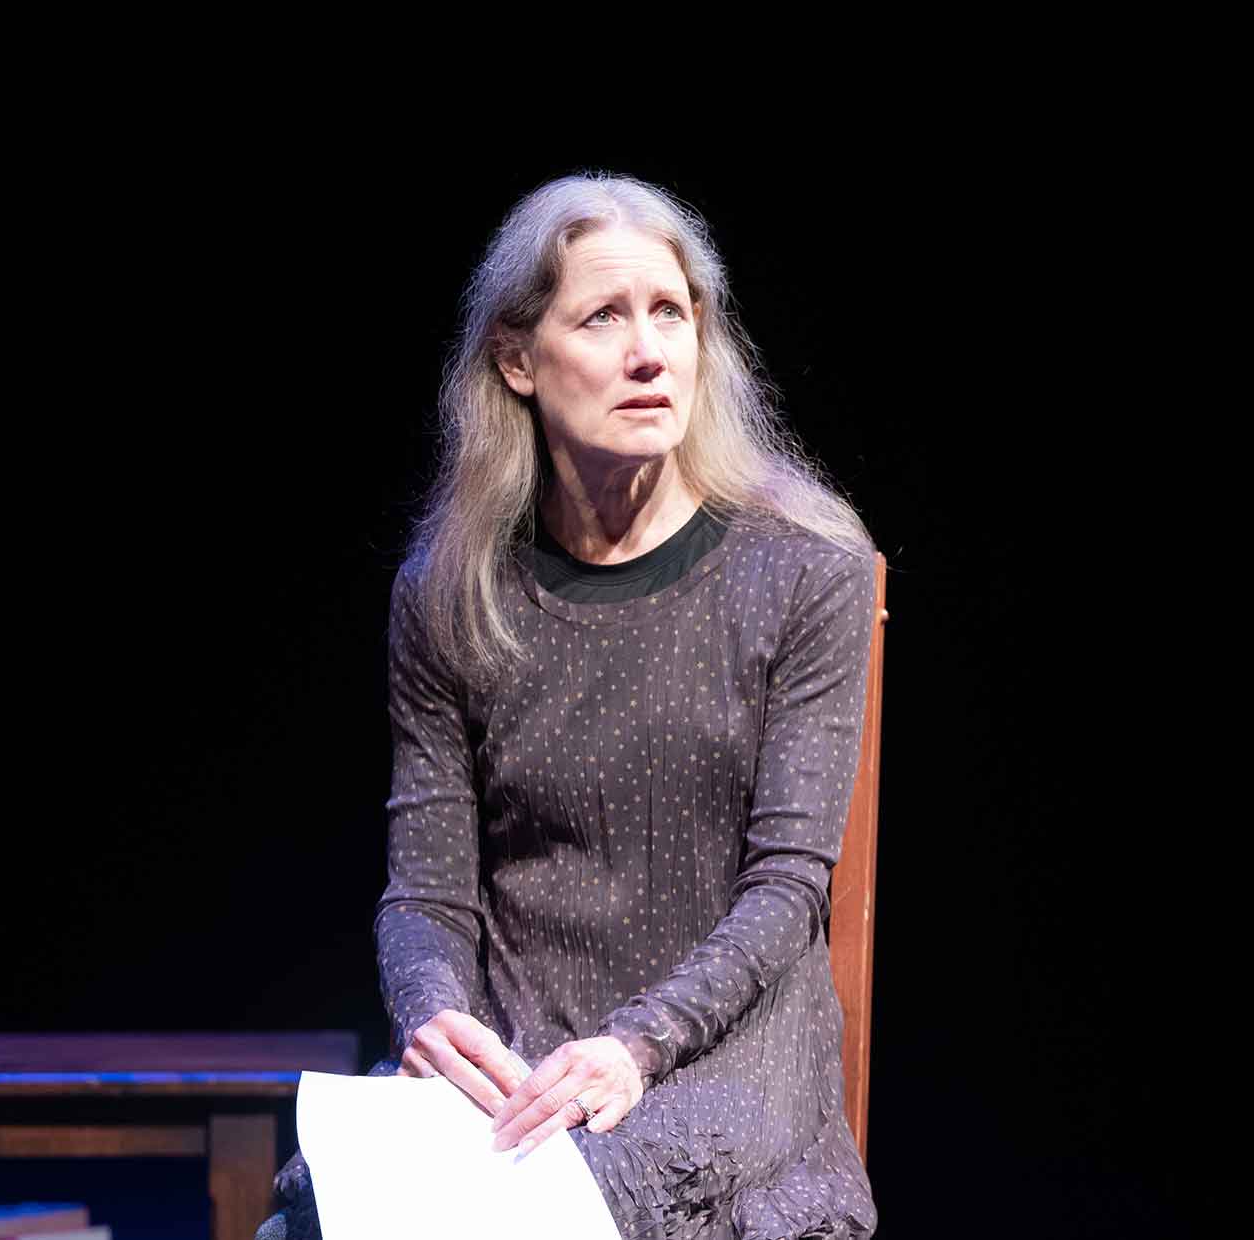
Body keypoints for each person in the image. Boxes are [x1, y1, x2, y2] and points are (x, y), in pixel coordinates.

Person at [262, 171, 879, 1240]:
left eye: (672, 315)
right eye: (604, 317)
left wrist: (638, 1045)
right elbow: (428, 892)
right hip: (522, 1065)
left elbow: (787, 888)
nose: (650, 353)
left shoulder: (802, 573)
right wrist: (436, 1018)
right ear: (518, 360)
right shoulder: (452, 595)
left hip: (726, 1058)